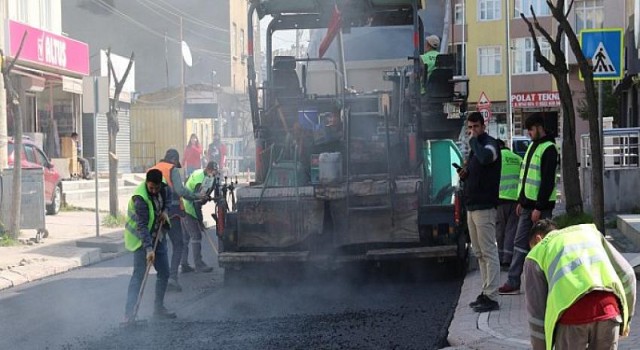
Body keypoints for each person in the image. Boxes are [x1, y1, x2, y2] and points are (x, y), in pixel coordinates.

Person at [524, 219, 636, 350]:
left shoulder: (537, 253)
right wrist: (626, 320)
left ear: (538, 239)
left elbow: (536, 313)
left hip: (571, 318)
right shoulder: (591, 233)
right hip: (609, 311)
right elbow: (628, 274)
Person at [499, 113, 558, 295]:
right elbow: (526, 177)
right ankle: (514, 281)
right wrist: (521, 200)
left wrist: (538, 207)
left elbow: (547, 181)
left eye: (531, 130)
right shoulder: (534, 146)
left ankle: (545, 283)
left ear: (539, 127)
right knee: (519, 242)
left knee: (542, 245)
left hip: (539, 207)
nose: (529, 134)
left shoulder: (549, 148)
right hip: (527, 206)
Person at [456, 111, 502, 313]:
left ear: (483, 126)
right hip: (472, 207)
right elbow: (477, 172)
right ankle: (485, 291)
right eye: (469, 127)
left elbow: (486, 159)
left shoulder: (489, 144)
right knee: (480, 253)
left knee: (489, 251)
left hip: (484, 207)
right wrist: (464, 175)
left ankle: (492, 296)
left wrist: (474, 141)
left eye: (475, 127)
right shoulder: (475, 149)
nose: (472, 131)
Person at [123, 169, 176, 322]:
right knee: (138, 276)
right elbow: (142, 226)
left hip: (158, 237)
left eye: (156, 188)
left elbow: (169, 197)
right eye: (151, 187)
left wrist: (165, 211)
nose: (153, 190)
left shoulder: (164, 187)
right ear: (146, 182)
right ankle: (129, 314)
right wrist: (148, 249)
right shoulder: (140, 198)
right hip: (141, 241)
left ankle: (158, 308)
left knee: (165, 272)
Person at [149, 149, 205, 292]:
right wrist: (196, 196)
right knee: (178, 244)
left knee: (159, 247)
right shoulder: (172, 169)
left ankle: (161, 278)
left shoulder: (153, 169)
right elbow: (180, 190)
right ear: (174, 159)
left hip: (154, 214)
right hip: (171, 214)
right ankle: (172, 278)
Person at [180, 161, 219, 273]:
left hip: (184, 205)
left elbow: (188, 182)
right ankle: (198, 264)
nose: (215, 174)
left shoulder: (203, 174)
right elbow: (197, 202)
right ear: (209, 169)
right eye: (214, 172)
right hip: (188, 208)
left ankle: (184, 264)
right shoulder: (199, 180)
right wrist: (200, 220)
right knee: (196, 236)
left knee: (185, 238)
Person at [496, 139, 522, 269]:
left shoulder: (496, 159)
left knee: (500, 230)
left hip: (500, 200)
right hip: (515, 200)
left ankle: (500, 258)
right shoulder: (517, 159)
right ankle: (508, 258)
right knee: (511, 230)